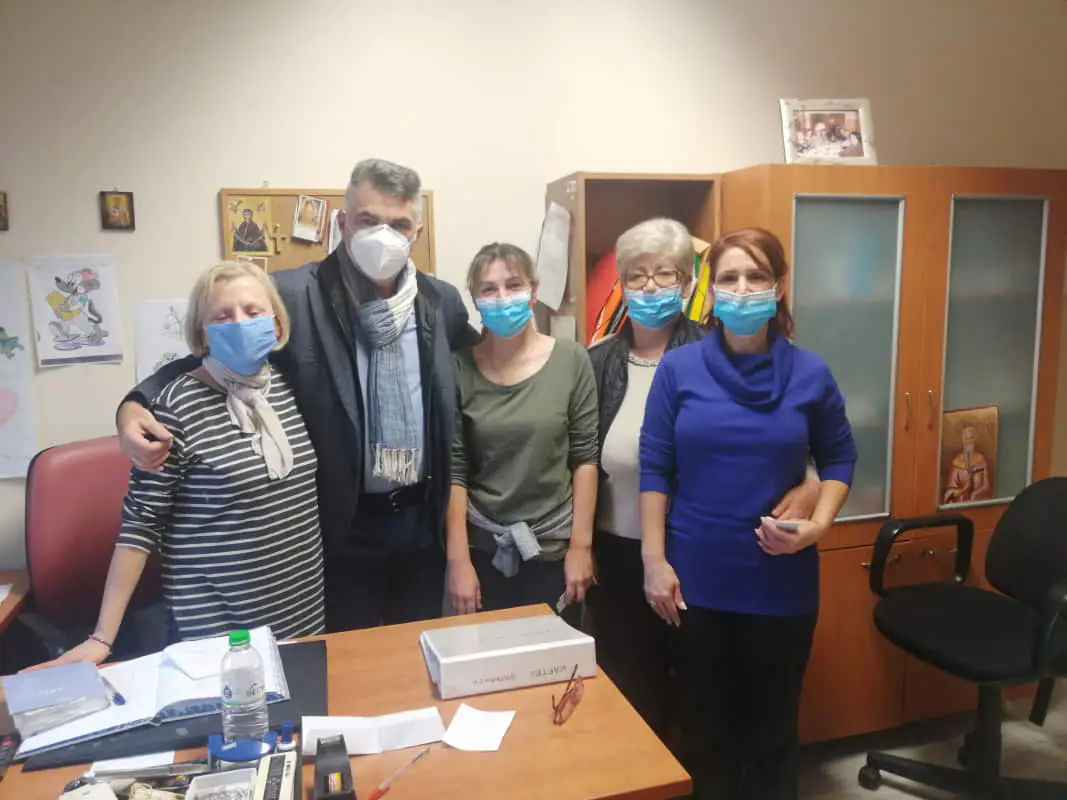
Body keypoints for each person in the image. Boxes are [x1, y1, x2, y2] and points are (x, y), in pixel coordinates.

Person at [117, 159, 479, 633]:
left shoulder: (439, 301)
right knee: (349, 663)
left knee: (414, 655)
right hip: (338, 528)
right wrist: (134, 403)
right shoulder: (293, 295)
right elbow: (206, 356)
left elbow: (482, 367)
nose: (383, 236)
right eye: (368, 220)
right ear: (343, 222)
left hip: (420, 524)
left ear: (417, 232)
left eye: (398, 225)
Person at [641, 227, 857, 800]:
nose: (741, 290)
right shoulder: (678, 369)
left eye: (756, 276)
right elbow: (655, 467)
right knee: (705, 733)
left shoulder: (810, 374)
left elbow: (839, 456)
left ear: (779, 287)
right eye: (729, 278)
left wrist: (819, 522)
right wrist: (653, 560)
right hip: (695, 582)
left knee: (772, 735)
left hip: (780, 582)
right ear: (710, 291)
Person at [587, 218, 820, 743]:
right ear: (621, 284)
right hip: (618, 554)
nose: (650, 286)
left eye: (665, 273)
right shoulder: (596, 362)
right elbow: (579, 459)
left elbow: (778, 439)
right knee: (632, 694)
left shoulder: (716, 352)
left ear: (690, 284)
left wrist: (810, 484)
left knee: (701, 703)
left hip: (695, 552)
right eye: (637, 275)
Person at [33, 261, 325, 668]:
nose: (240, 324)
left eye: (253, 311)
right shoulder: (174, 408)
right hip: (220, 637)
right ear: (201, 334)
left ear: (276, 325)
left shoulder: (290, 387)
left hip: (303, 619)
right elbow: (140, 524)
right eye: (222, 317)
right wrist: (102, 637)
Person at [446, 243, 597, 627]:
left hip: (554, 552)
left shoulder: (572, 359)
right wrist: (459, 561)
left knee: (556, 662)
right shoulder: (459, 368)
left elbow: (584, 458)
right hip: (484, 551)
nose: (502, 297)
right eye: (489, 289)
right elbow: (455, 470)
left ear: (533, 291)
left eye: (513, 285)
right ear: (475, 300)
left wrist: (581, 547)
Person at [943, 425, 992, 503]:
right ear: (963, 440)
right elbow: (951, 488)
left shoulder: (980, 460)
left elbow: (986, 486)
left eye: (971, 438)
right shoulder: (956, 462)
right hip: (960, 502)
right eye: (966, 438)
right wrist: (958, 492)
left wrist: (975, 495)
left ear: (975, 439)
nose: (969, 441)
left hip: (977, 501)